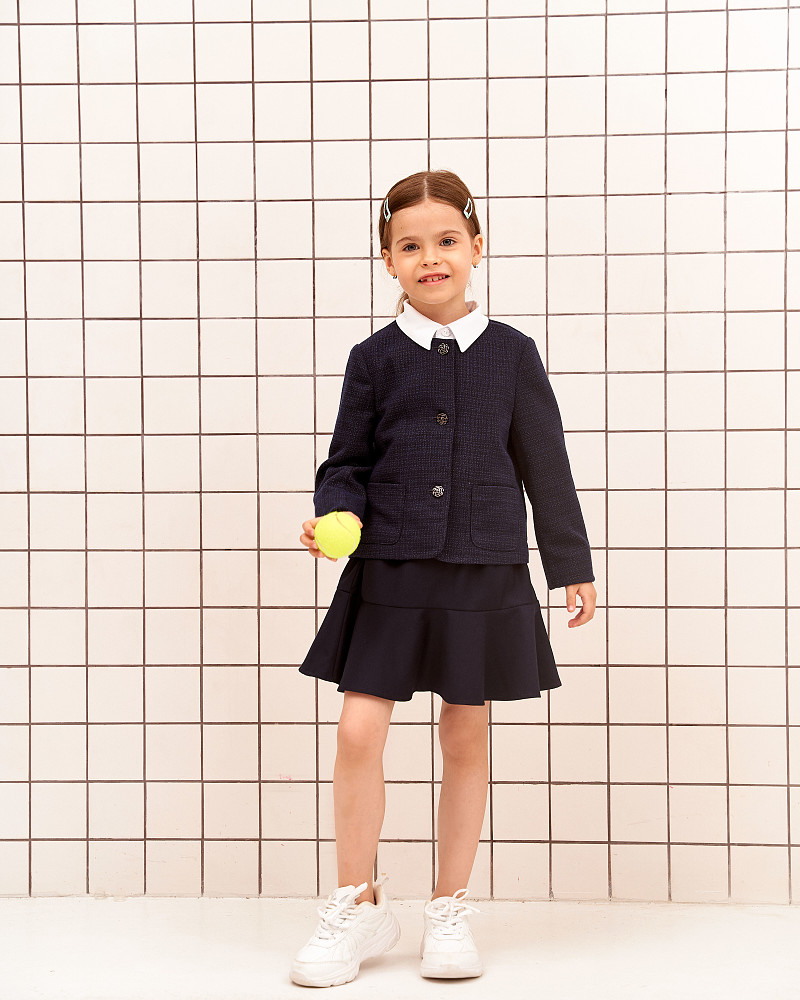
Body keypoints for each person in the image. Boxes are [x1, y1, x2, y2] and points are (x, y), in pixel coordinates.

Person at [290, 169, 597, 988]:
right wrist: (334, 515)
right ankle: (358, 903)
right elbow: (346, 462)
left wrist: (570, 564)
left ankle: (447, 907)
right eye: (410, 246)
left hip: (484, 568)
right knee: (359, 731)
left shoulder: (514, 354)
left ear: (476, 247)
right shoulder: (372, 359)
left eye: (446, 241)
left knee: (466, 734)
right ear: (388, 261)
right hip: (388, 566)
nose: (431, 258)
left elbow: (546, 465)